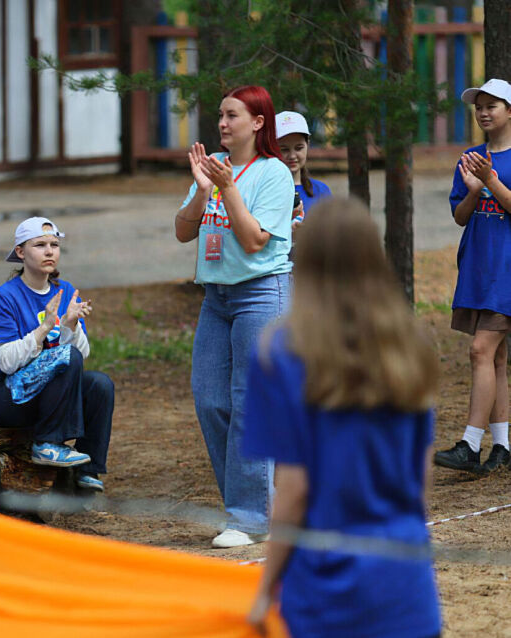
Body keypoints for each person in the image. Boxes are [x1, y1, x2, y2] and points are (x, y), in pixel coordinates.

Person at [244, 197, 441, 638]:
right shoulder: (411, 347)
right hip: (407, 594)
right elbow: (420, 480)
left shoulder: (281, 354)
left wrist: (264, 590)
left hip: (324, 599)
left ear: (306, 261)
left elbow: (292, 491)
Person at [174, 85, 294, 548]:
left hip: (261, 293)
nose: (222, 124)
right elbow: (184, 233)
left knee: (248, 402)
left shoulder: (274, 174)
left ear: (258, 122)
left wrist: (228, 189)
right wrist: (203, 191)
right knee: (209, 398)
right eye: (220, 116)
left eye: (232, 116)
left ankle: (248, 517)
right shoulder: (214, 171)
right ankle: (256, 506)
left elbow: (253, 241)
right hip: (216, 298)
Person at [0, 217, 114, 492]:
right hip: (6, 396)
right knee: (67, 357)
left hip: (49, 393)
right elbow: (5, 363)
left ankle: (87, 471)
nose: (50, 251)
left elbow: (82, 353)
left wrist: (70, 324)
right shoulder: (4, 298)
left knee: (100, 384)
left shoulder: (64, 291)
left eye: (54, 244)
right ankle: (48, 444)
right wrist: (44, 328)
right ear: (20, 252)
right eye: (40, 245)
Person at [435, 78, 511, 475]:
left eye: (492, 105)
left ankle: (469, 444)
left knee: (480, 351)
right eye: (478, 106)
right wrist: (474, 191)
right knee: (495, 357)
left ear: (509, 111)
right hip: (479, 270)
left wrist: (493, 182)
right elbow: (460, 216)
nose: (483, 112)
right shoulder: (469, 157)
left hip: (508, 273)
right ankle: (502, 446)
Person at [275, 110, 332, 227]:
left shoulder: (321, 191)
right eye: (284, 149)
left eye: (299, 148)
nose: (292, 156)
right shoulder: (265, 192)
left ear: (308, 144)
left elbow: (331, 234)